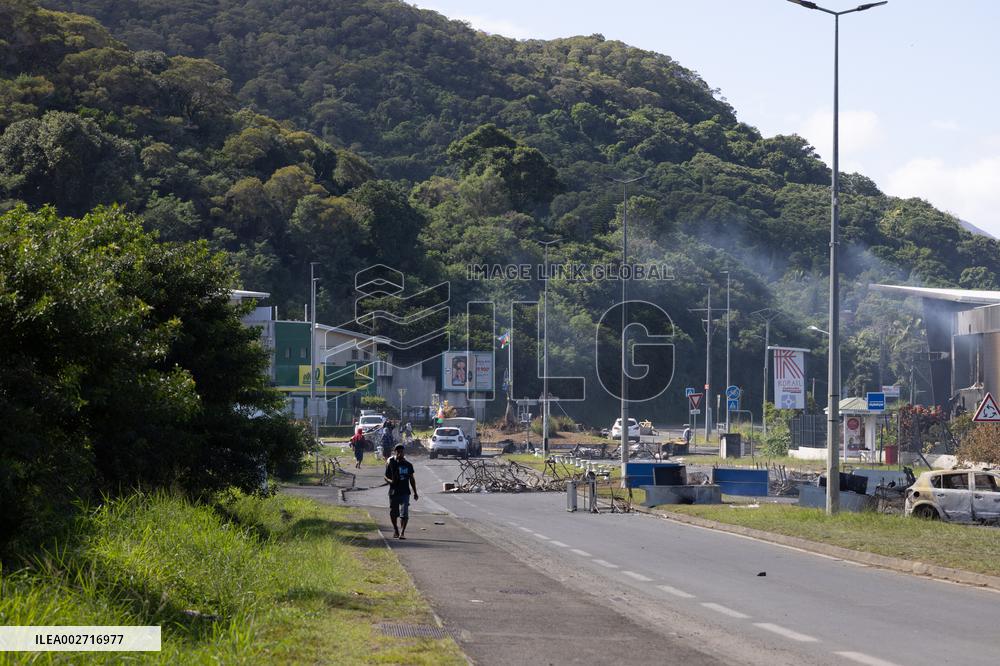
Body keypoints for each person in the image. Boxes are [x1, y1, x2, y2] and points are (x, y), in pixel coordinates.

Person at [384, 444, 418, 539]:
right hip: (393, 492)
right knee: (393, 513)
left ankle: (402, 532)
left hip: (405, 492)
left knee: (404, 513)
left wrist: (415, 492)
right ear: (395, 452)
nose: (400, 453)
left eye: (401, 451)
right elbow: (385, 476)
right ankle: (396, 530)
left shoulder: (408, 465)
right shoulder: (391, 462)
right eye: (398, 451)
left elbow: (411, 479)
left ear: (404, 452)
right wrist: (390, 481)